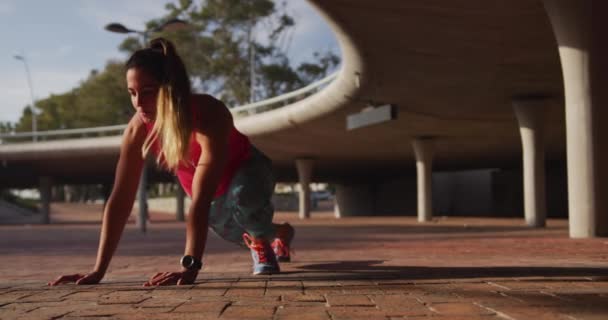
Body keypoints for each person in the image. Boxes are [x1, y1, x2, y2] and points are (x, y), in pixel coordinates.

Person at [48, 38, 295, 287]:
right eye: (132, 93)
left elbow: (198, 202)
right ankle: (280, 233)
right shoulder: (137, 128)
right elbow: (121, 199)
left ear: (170, 87)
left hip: (248, 170)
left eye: (148, 92)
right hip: (215, 195)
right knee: (234, 231)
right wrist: (98, 271)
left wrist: (189, 268)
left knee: (244, 200)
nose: (138, 103)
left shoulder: (209, 113)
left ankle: (262, 247)